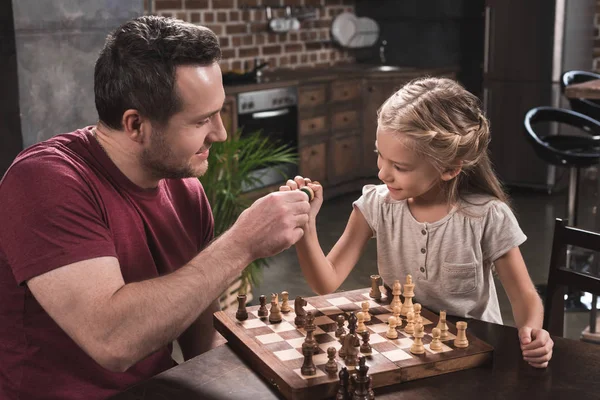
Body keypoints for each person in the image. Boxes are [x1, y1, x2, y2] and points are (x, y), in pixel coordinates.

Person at [0, 16, 310, 400]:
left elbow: (201, 341)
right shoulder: (45, 180)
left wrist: (278, 369)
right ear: (135, 125)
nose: (220, 133)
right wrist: (243, 243)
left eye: (218, 112)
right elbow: (112, 341)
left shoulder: (187, 193)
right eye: (201, 121)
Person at [281, 77, 554, 368]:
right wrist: (306, 227)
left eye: (400, 166)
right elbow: (326, 281)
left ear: (449, 168)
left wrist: (533, 331)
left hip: (473, 357)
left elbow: (524, 294)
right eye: (380, 156)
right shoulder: (377, 205)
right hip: (403, 352)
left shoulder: (486, 216)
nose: (383, 174)